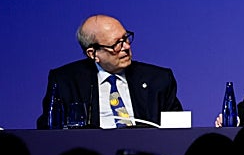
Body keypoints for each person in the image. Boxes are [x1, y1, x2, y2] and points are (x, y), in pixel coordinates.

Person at [36, 14, 182, 129]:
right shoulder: (66, 81)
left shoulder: (158, 79)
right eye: (116, 44)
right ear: (93, 54)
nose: (125, 47)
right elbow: (49, 130)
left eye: (125, 38)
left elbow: (178, 130)